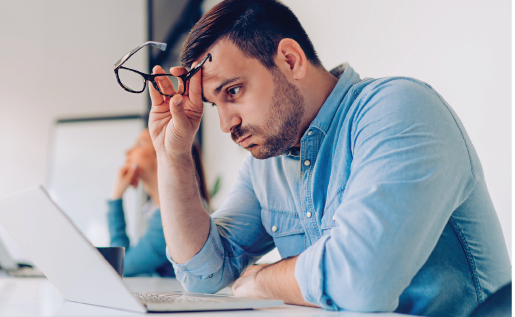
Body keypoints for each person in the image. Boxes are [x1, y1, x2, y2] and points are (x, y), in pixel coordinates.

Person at [143, 1, 511, 316]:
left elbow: (362, 282)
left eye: (233, 91)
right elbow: (203, 275)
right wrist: (172, 155)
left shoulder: (398, 108)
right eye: (214, 104)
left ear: (290, 59)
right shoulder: (265, 164)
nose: (225, 124)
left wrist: (263, 278)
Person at [106, 129, 209, 277]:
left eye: (140, 144)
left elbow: (121, 266)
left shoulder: (176, 214)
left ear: (162, 154)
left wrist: (116, 198)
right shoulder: (155, 211)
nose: (128, 152)